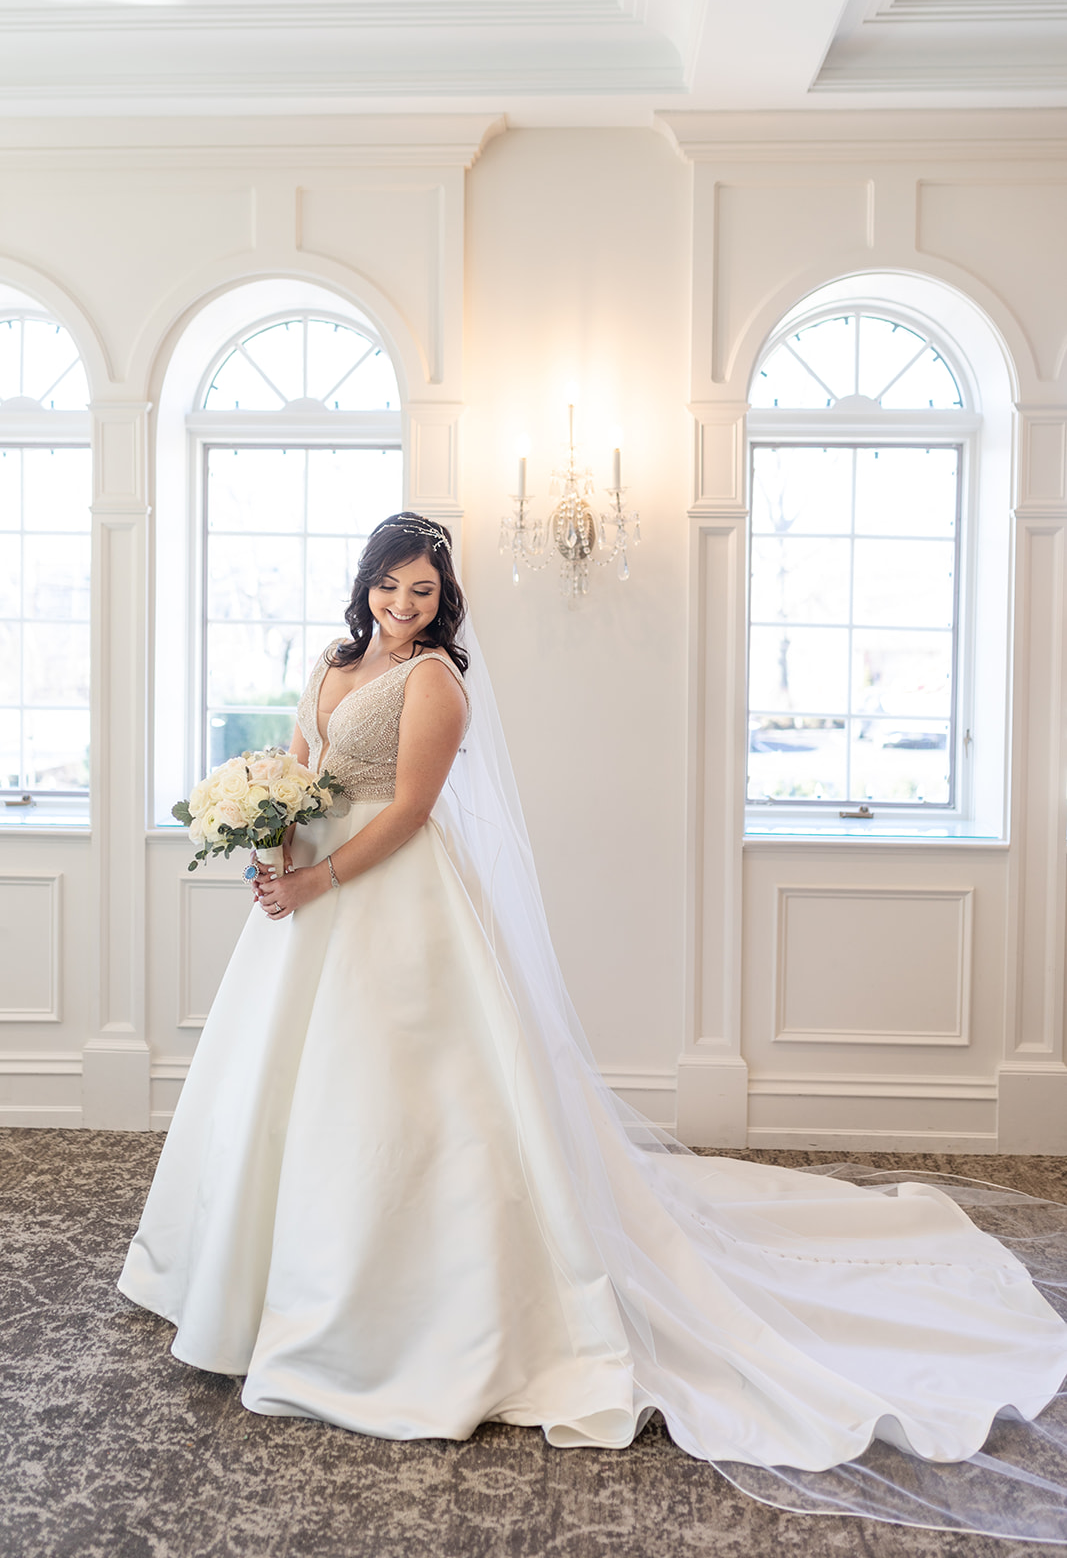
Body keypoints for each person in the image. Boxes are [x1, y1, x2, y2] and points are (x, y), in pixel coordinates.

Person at [119, 513, 1067, 1542]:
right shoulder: (331, 659)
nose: (403, 606)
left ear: (444, 605)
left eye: (423, 594)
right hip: (303, 904)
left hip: (388, 898)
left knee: (409, 1102)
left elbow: (405, 814)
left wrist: (316, 878)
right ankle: (253, 1285)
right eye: (391, 588)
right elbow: (303, 767)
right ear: (365, 586)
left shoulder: (436, 685)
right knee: (281, 1092)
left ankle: (404, 1313)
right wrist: (272, 840)